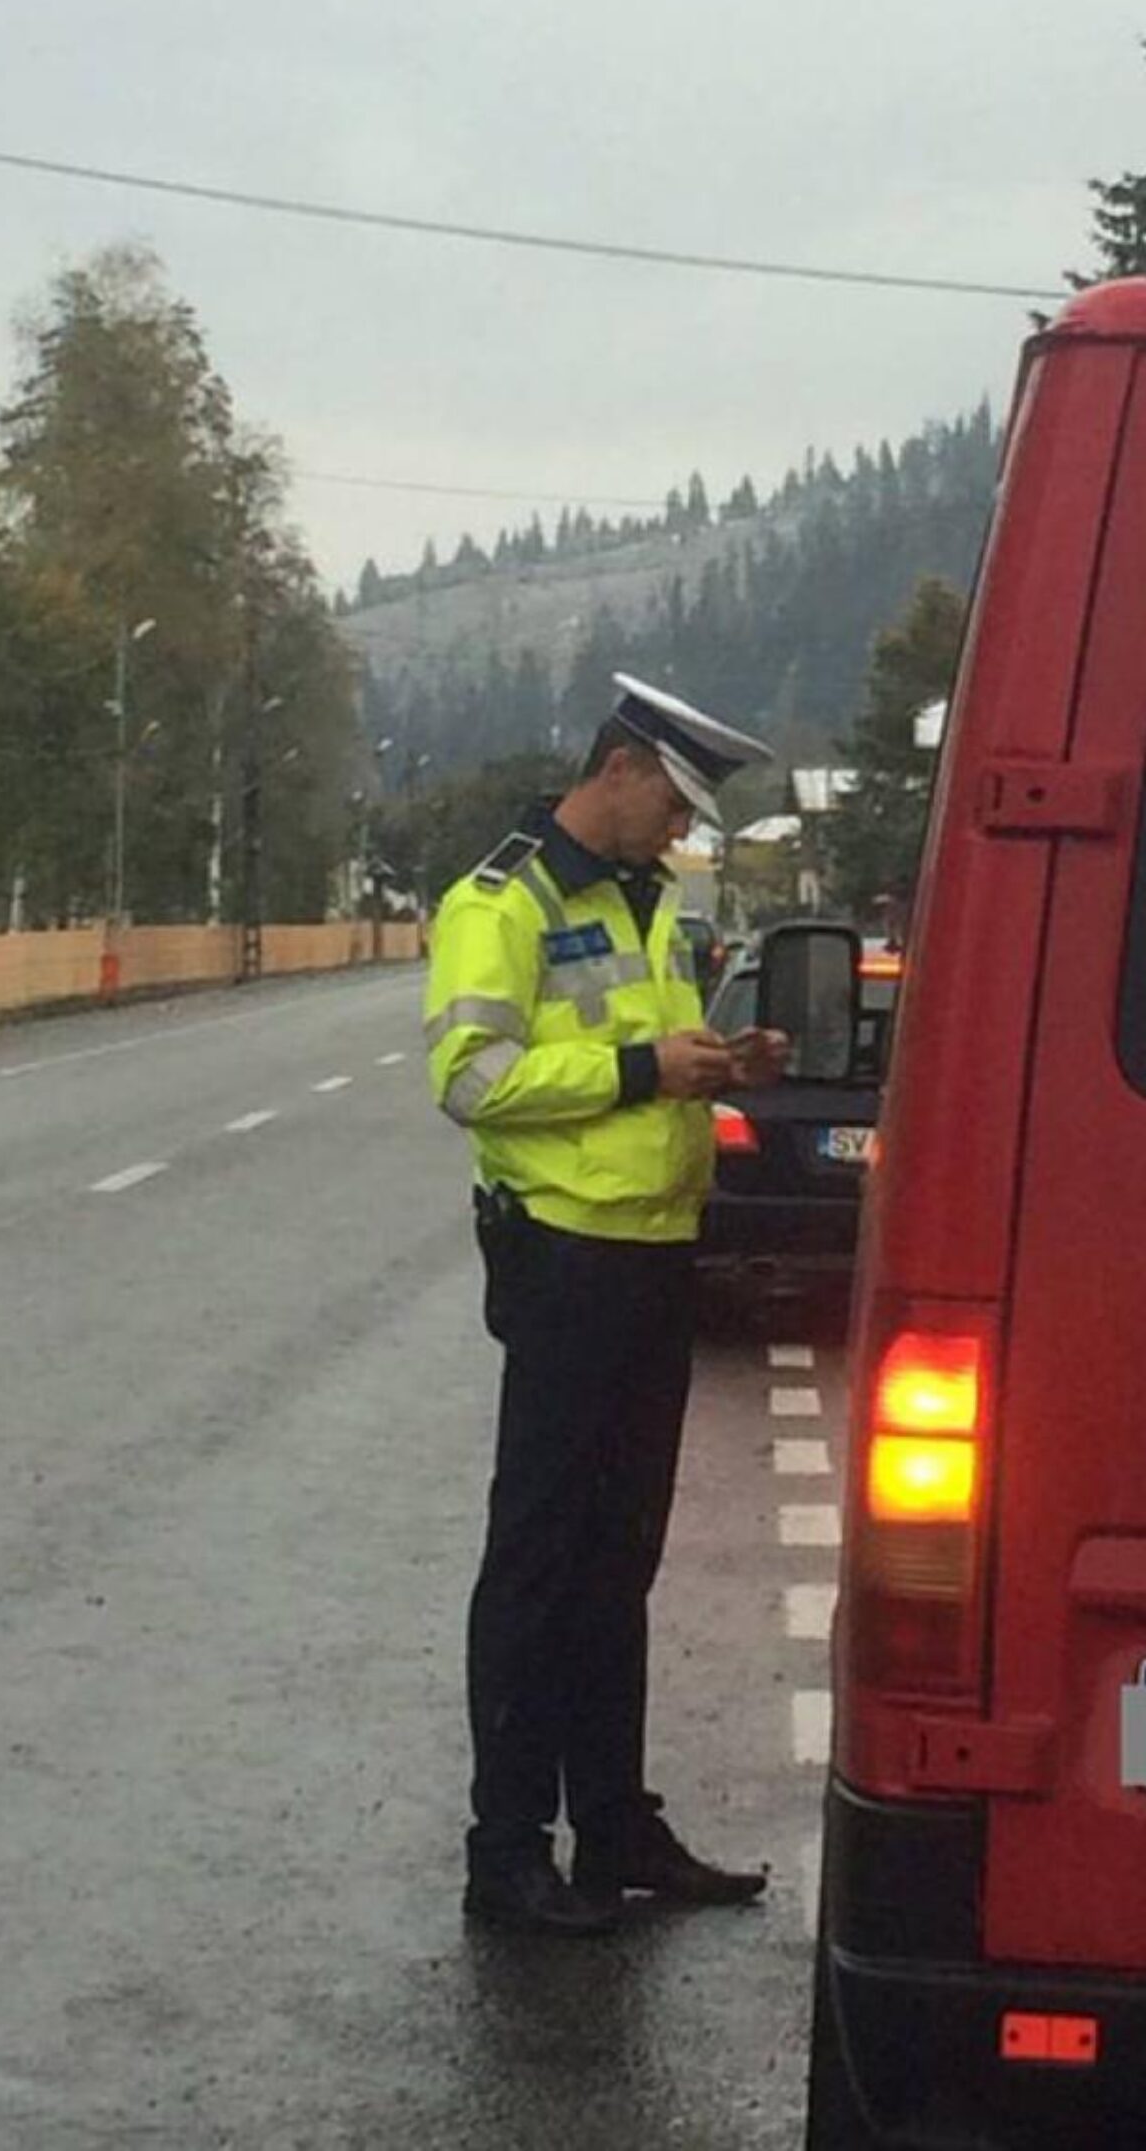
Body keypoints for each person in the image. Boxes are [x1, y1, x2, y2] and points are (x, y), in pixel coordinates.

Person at [424, 673, 791, 1934]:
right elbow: (471, 1079)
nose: (680, 834)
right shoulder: (500, 902)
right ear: (620, 767)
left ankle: (616, 1824)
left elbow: (652, 1054)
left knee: (619, 1560)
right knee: (538, 1557)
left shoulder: (650, 900)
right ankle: (507, 1848)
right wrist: (642, 1069)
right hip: (566, 1257)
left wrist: (722, 1065)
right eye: (673, 808)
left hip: (655, 1249)